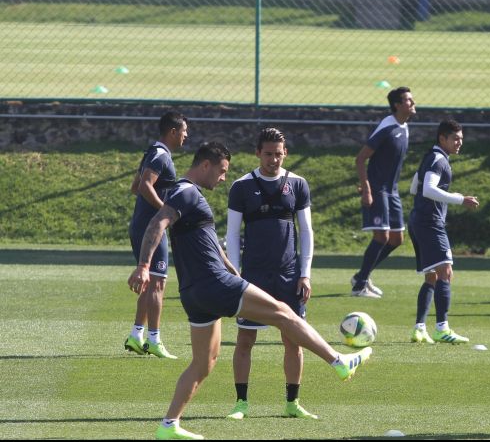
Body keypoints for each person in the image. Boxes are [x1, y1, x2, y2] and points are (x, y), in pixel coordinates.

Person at [127, 142, 372, 441]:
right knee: (284, 313)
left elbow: (206, 240)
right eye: (221, 171)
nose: (223, 178)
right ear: (206, 165)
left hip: (194, 292)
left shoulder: (189, 196)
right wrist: (143, 266)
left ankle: (169, 425)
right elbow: (157, 223)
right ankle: (339, 362)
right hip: (212, 284)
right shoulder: (186, 191)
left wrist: (231, 266)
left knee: (204, 362)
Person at [224, 128, 318, 420]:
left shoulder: (298, 184)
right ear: (257, 153)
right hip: (254, 278)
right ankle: (241, 403)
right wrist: (236, 275)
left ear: (285, 153)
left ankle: (292, 403)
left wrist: (305, 273)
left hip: (289, 277)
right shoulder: (241, 186)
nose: (273, 159)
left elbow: (307, 232)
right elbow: (232, 234)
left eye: (278, 154)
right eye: (268, 154)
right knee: (245, 341)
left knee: (293, 341)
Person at [407, 120, 479, 344]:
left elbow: (413, 187)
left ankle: (419, 329)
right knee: (445, 272)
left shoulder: (431, 157)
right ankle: (442, 328)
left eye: (461, 139)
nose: (459, 143)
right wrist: (459, 199)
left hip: (418, 221)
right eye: (455, 139)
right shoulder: (439, 160)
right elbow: (428, 189)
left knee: (432, 276)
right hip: (430, 224)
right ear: (442, 139)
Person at [125, 111, 188, 359]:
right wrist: (165, 210)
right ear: (173, 132)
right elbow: (144, 186)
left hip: (141, 224)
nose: (186, 135)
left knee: (151, 281)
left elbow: (135, 186)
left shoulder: (153, 152)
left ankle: (136, 335)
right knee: (159, 282)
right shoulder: (161, 155)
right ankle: (154, 340)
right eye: (184, 131)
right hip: (151, 227)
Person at [349, 87, 416, 298]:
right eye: (408, 100)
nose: (413, 103)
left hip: (392, 192)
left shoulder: (404, 127)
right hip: (378, 190)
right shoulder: (387, 127)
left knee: (397, 240)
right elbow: (360, 159)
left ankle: (362, 274)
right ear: (397, 105)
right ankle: (359, 286)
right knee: (381, 236)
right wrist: (366, 188)